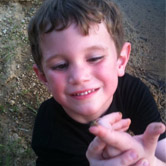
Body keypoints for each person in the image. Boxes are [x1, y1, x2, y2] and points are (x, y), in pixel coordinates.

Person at [27, 0, 166, 165]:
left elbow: (160, 147)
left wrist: (150, 161)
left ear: (120, 61)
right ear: (43, 77)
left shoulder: (133, 91)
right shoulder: (48, 130)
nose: (79, 76)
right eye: (60, 65)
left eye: (94, 58)